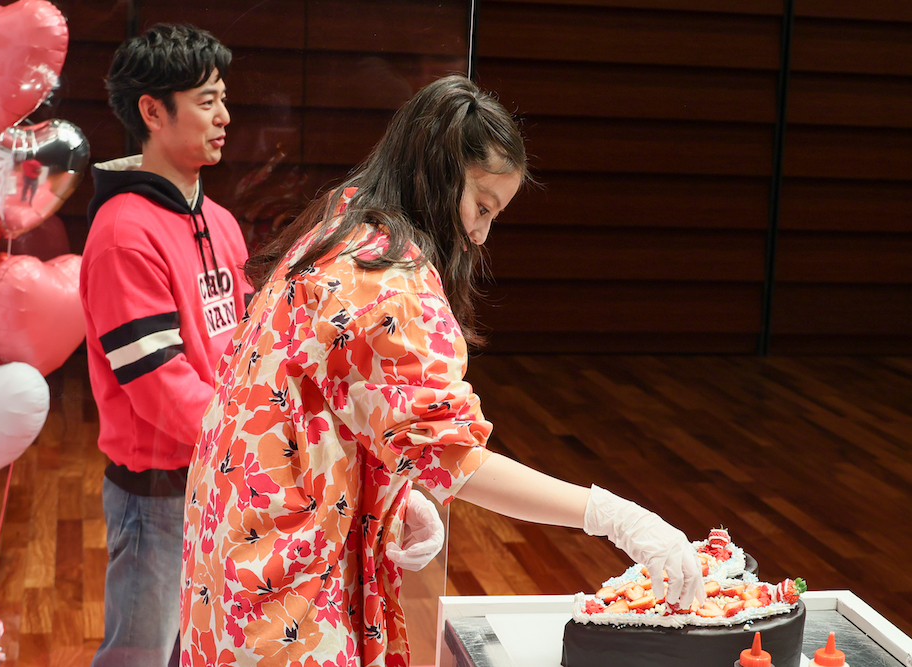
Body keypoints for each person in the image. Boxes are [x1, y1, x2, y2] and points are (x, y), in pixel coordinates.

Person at [180, 75, 706, 667]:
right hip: (283, 583)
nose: (480, 234)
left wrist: (396, 494)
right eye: (480, 207)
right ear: (436, 173)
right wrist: (612, 516)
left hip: (232, 556)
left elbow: (326, 402)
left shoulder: (341, 222)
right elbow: (455, 457)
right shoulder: (386, 278)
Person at [79, 24, 251, 667]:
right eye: (207, 101)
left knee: (198, 649)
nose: (225, 117)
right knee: (140, 654)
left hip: (213, 476)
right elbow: (157, 382)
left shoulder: (221, 221)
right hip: (155, 493)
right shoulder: (123, 232)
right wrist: (253, 438)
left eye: (223, 99)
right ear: (153, 111)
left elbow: (242, 347)